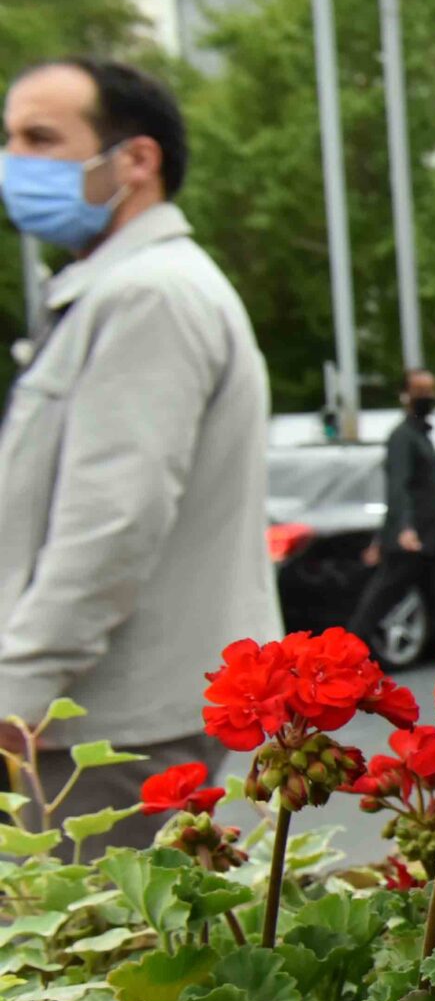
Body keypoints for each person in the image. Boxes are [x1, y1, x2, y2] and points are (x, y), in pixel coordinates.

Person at [0, 58, 277, 845]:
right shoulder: (117, 290)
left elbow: (109, 523)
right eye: (10, 136)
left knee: (73, 957)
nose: (15, 160)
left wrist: (17, 693)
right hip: (92, 716)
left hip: (97, 728)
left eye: (41, 138)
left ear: (137, 160)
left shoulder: (148, 295)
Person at [349, 369, 435, 660]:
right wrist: (402, 529)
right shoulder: (402, 437)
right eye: (420, 391)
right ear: (405, 396)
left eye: (431, 390)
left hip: (432, 539)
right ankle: (347, 656)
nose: (427, 397)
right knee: (379, 601)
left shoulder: (420, 435)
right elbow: (398, 486)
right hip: (411, 541)